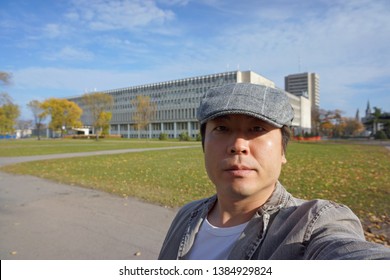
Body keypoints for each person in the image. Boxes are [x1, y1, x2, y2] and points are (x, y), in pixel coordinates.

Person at [158, 83, 390, 260]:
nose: (238, 144)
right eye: (221, 128)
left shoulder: (311, 226)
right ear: (204, 146)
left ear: (282, 151)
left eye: (257, 128)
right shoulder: (186, 216)